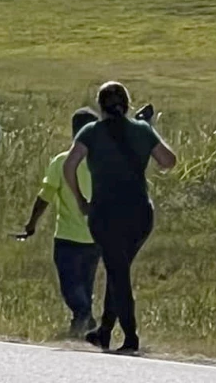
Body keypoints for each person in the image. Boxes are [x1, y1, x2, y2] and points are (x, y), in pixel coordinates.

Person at [63, 82, 176, 355]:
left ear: (100, 106)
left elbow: (69, 166)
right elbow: (168, 161)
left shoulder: (91, 132)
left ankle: (130, 336)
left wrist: (81, 200)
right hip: (140, 214)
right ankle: (104, 331)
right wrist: (148, 130)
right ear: (127, 105)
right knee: (118, 269)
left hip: (105, 213)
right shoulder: (142, 130)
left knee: (118, 272)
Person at [17, 107, 100, 335]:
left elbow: (45, 196)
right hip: (96, 237)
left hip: (67, 236)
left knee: (70, 285)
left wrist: (32, 223)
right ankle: (81, 324)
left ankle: (83, 315)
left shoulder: (63, 161)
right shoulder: (103, 163)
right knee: (86, 283)